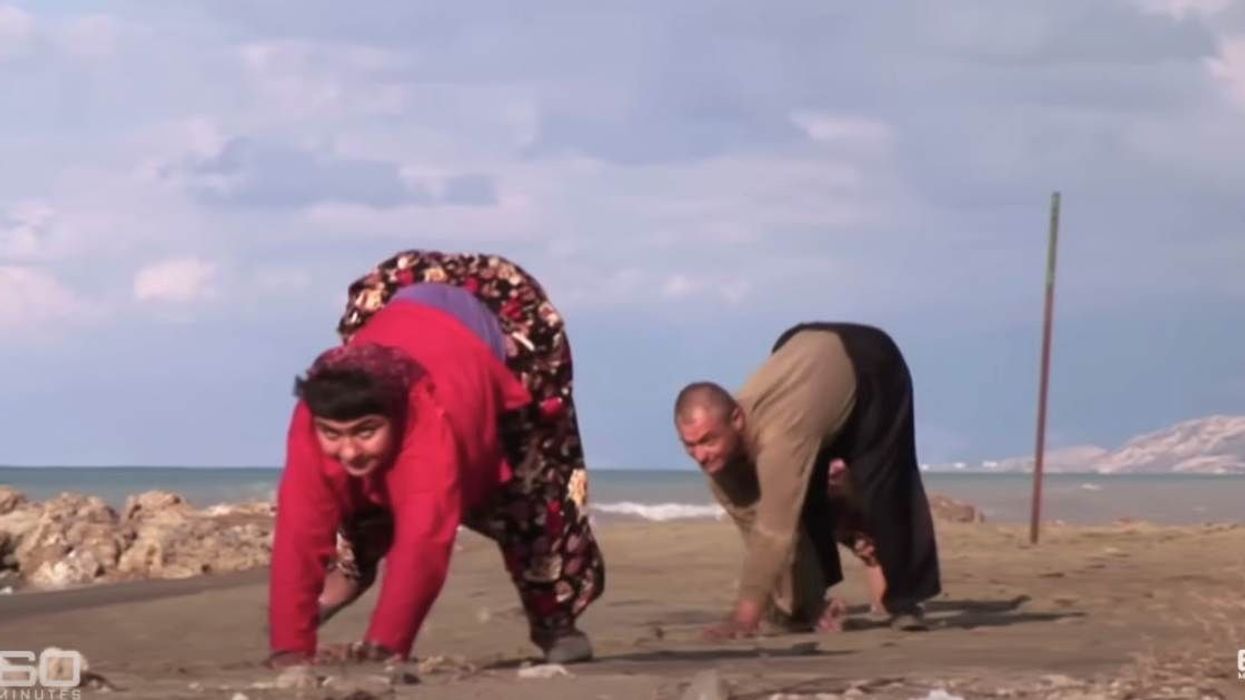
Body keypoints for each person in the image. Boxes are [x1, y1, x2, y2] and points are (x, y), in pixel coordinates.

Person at [267, 251, 605, 667]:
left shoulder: (426, 420)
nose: (349, 447)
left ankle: (554, 622)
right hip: (399, 289)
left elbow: (423, 540)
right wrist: (289, 647)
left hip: (507, 318)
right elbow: (298, 530)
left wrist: (385, 648)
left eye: (365, 431)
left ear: (393, 417)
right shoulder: (317, 410)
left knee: (534, 491)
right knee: (357, 477)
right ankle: (353, 570)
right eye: (333, 434)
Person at [672, 322, 940, 639]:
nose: (700, 455)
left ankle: (905, 601)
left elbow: (774, 531)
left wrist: (745, 617)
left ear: (737, 420)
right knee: (800, 500)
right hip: (802, 351)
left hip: (870, 364)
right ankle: (810, 604)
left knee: (883, 486)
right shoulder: (721, 454)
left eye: (708, 441)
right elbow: (754, 527)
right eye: (690, 444)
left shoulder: (778, 439)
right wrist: (801, 603)